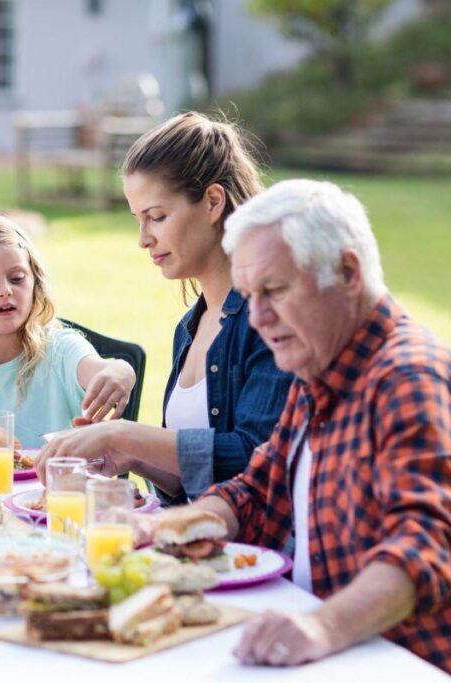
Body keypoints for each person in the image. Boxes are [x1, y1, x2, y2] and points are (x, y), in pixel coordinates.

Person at [142, 179, 451, 680]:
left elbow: (421, 550)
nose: (258, 319)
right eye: (249, 296)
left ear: (347, 272)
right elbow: (258, 492)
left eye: (275, 291)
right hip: (351, 658)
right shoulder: (319, 368)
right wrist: (162, 528)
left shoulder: (409, 379)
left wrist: (320, 626)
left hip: (424, 665)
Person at [37, 112, 292, 502]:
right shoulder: (189, 327)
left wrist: (123, 434)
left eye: (156, 217)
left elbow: (255, 459)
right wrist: (133, 456)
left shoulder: (270, 320)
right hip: (189, 535)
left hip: (247, 542)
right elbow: (191, 482)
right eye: (138, 220)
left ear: (212, 202)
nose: (143, 239)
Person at [0, 214, 137, 453]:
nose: (5, 291)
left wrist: (122, 370)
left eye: (17, 279)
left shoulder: (63, 349)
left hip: (58, 477)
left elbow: (102, 371)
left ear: (34, 283)